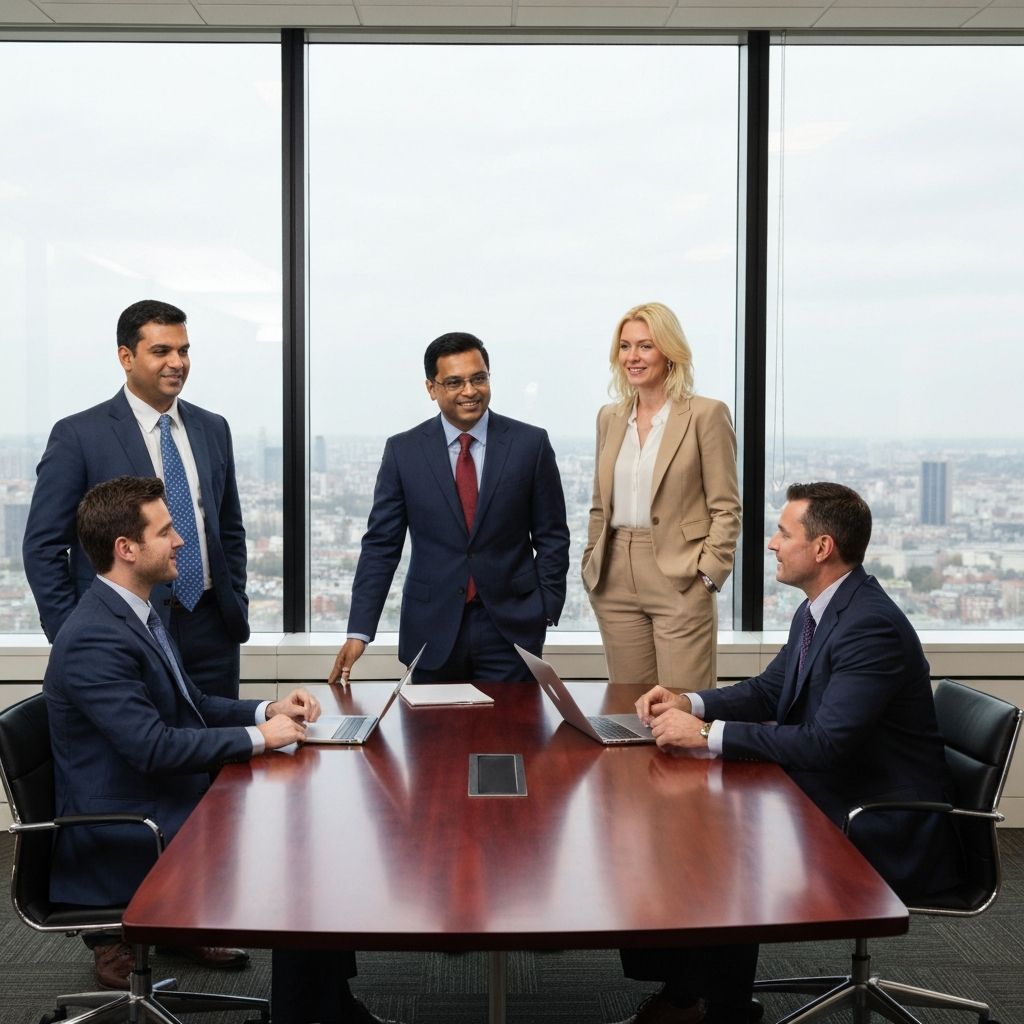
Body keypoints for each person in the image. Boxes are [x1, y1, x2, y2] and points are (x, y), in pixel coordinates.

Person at [44, 476, 394, 1024]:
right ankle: (310, 1014)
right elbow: (153, 748)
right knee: (304, 852)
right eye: (165, 531)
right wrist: (261, 741)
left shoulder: (135, 613)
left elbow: (195, 703)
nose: (181, 540)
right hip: (128, 834)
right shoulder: (96, 637)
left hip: (162, 804)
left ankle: (325, 1007)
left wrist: (267, 711)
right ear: (126, 548)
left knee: (312, 834)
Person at [613, 482, 963, 1024]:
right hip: (838, 789)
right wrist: (689, 701)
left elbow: (825, 742)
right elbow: (768, 691)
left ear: (822, 548)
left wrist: (704, 735)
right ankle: (695, 994)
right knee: (690, 823)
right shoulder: (822, 609)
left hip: (879, 819)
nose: (772, 543)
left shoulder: (869, 626)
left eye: (783, 532)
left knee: (715, 840)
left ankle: (711, 1005)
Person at [23, 299, 248, 699]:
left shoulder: (213, 428)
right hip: (121, 630)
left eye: (183, 350)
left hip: (213, 629)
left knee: (222, 734)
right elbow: (43, 547)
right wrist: (72, 633)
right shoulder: (79, 436)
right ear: (126, 357)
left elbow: (229, 530)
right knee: (140, 738)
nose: (177, 363)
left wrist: (236, 603)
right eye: (161, 351)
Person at [329, 331, 570, 685]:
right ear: (432, 388)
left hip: (511, 627)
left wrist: (545, 607)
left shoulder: (530, 444)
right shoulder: (403, 451)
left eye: (478, 378)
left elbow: (552, 536)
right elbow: (381, 546)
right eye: (455, 382)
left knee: (512, 723)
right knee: (432, 723)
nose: (469, 391)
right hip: (431, 628)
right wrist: (359, 632)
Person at [582, 302, 741, 691]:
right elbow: (600, 504)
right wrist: (591, 563)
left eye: (645, 346)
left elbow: (727, 508)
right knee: (628, 706)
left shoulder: (705, 414)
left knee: (684, 704)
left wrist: (708, 575)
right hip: (614, 574)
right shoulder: (609, 417)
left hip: (680, 573)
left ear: (669, 352)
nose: (632, 357)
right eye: (625, 347)